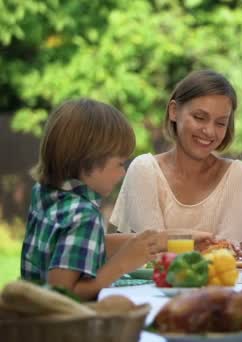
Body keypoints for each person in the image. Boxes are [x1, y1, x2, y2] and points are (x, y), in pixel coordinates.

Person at [109, 70, 242, 256]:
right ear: (174, 111)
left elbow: (225, 255)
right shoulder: (144, 169)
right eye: (199, 118)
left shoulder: (237, 174)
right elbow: (154, 252)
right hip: (153, 285)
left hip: (220, 285)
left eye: (220, 123)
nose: (209, 131)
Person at [21, 98, 161, 300]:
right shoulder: (84, 215)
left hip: (29, 318)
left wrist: (159, 240)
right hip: (64, 326)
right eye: (120, 163)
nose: (123, 173)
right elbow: (62, 296)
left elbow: (80, 246)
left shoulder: (46, 193)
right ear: (90, 160)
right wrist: (123, 263)